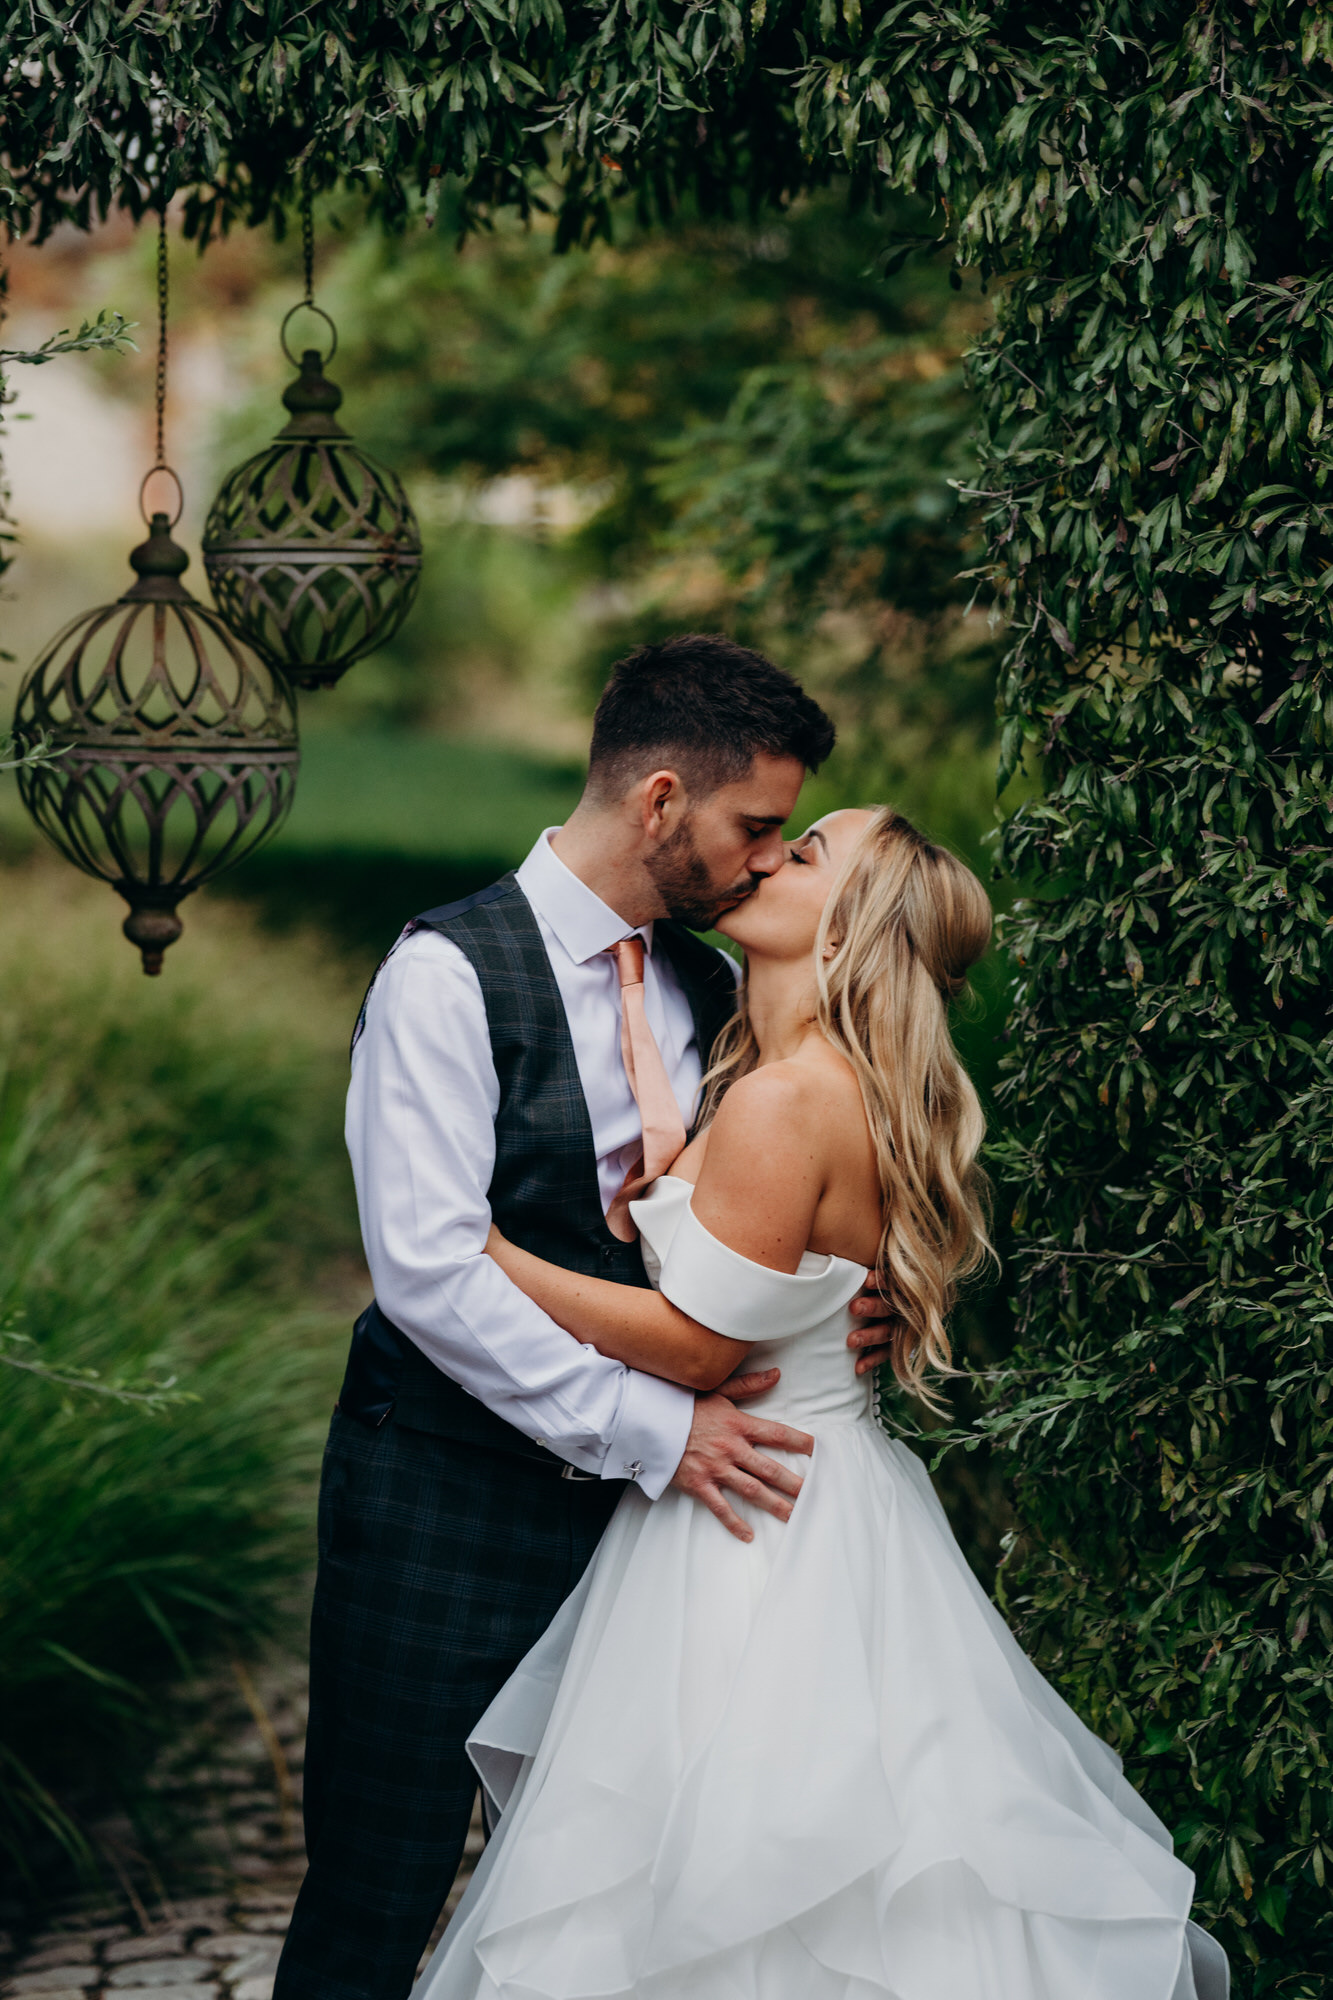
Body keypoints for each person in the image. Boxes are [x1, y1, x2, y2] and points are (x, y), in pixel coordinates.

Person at [413, 806, 1230, 2000]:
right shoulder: (786, 1074)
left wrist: (484, 1249)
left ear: (850, 928)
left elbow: (698, 1350)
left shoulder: (788, 1099)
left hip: (757, 1517)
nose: (771, 854)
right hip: (819, 1486)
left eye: (808, 852)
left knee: (739, 1874)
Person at [274, 636, 899, 2000]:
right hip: (442, 1500)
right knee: (379, 1884)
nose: (762, 860)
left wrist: (851, 1308)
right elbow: (430, 1275)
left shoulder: (714, 987)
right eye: (755, 827)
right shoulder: (445, 975)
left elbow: (780, 1204)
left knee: (612, 1903)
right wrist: (656, 1430)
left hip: (647, 1549)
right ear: (662, 801)